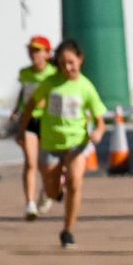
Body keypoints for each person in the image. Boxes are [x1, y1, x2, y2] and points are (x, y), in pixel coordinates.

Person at [28, 40, 108, 249]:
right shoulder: (50, 84)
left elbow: (100, 119)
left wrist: (98, 132)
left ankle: (68, 231)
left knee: (75, 182)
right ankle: (50, 192)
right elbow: (31, 103)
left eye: (71, 62)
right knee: (53, 188)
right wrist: (23, 128)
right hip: (51, 142)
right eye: (63, 64)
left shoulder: (86, 87)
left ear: (80, 60)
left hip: (77, 143)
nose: (68, 68)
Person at [11, 35, 58, 220]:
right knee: (30, 162)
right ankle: (30, 203)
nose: (33, 54)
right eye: (31, 50)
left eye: (37, 50)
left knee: (46, 165)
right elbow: (23, 93)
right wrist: (17, 110)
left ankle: (47, 190)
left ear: (47, 53)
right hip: (29, 120)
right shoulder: (25, 73)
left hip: (48, 121)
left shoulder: (54, 74)